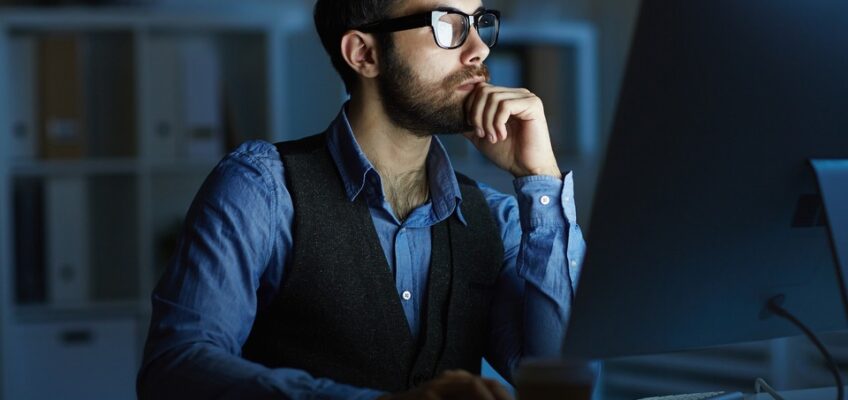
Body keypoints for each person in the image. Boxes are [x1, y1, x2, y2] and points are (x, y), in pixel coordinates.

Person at [137, 0, 587, 398]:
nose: (480, 50)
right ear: (364, 54)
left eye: (479, 22)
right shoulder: (262, 189)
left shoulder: (496, 217)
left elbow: (563, 377)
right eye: (448, 24)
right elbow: (175, 368)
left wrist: (540, 179)